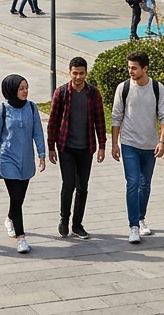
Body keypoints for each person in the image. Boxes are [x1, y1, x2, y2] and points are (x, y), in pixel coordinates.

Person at [110, 50, 164, 244]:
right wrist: (114, 144)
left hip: (150, 145)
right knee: (133, 182)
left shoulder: (157, 88)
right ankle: (133, 226)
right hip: (129, 144)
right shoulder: (123, 88)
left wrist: (162, 141)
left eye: (134, 68)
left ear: (145, 68)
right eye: (129, 67)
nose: (130, 71)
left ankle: (141, 218)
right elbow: (116, 116)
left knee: (145, 185)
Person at [46, 56, 106, 239]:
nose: (78, 77)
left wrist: (102, 145)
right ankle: (64, 219)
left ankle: (77, 224)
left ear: (86, 73)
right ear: (69, 73)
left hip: (86, 147)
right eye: (75, 73)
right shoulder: (61, 93)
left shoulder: (93, 94)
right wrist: (51, 147)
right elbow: (53, 122)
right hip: (66, 147)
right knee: (68, 184)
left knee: (83, 187)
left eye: (81, 73)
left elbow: (100, 120)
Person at [0, 75, 47, 254]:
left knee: (19, 198)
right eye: (21, 88)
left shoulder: (32, 108)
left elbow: (37, 132)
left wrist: (41, 154)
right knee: (16, 197)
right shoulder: (3, 109)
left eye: (26, 87)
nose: (25, 91)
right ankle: (21, 238)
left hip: (26, 160)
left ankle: (10, 218)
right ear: (11, 90)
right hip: (8, 159)